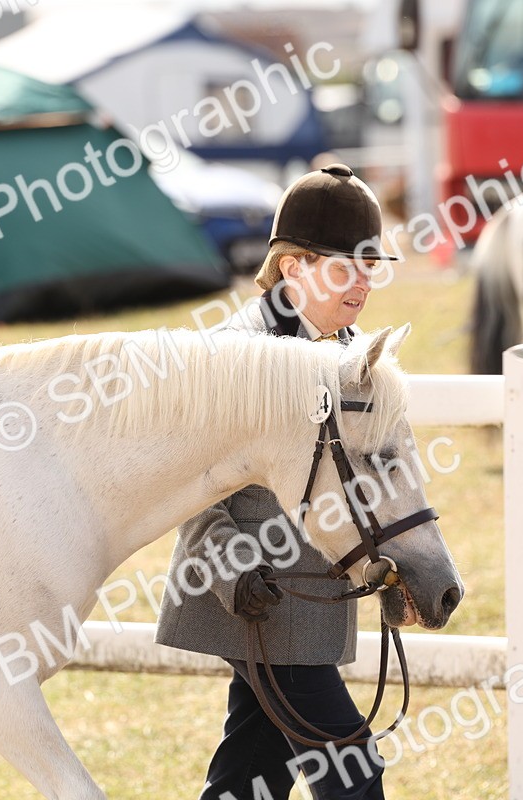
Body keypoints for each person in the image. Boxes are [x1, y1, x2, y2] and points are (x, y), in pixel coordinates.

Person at [155, 164, 401, 800]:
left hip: (311, 601)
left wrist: (394, 559)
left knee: (250, 773)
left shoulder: (351, 351)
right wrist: (231, 569)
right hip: (255, 598)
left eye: (371, 265)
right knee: (353, 773)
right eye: (347, 266)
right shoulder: (232, 352)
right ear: (293, 268)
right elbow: (192, 483)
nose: (364, 281)